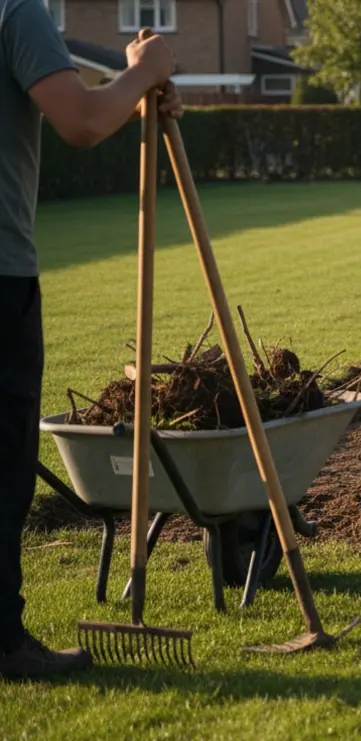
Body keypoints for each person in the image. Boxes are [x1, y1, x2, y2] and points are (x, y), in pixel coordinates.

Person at [1, 1, 183, 679]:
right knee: (4, 470)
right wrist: (146, 72)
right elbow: (80, 121)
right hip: (1, 277)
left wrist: (129, 93)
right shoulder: (16, 13)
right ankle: (4, 645)